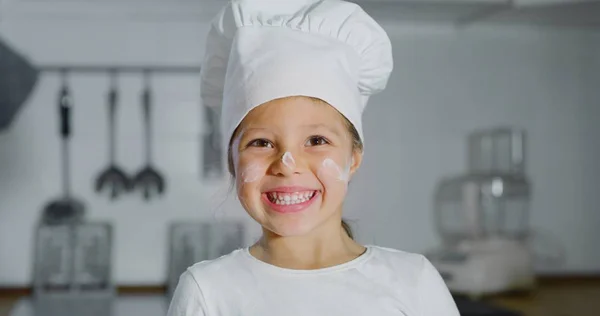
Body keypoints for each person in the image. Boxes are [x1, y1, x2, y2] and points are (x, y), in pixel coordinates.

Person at [167, 0, 460, 315]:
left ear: (354, 157)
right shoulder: (208, 291)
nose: (287, 165)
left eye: (316, 140)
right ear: (231, 163)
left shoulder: (413, 281)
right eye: (261, 142)